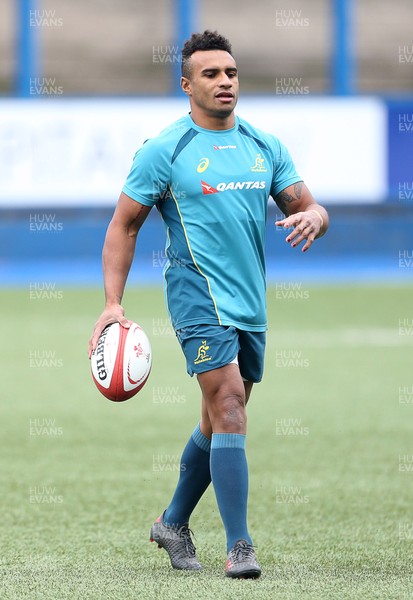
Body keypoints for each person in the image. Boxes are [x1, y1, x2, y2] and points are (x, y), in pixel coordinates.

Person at [88, 30, 329, 579]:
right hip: (196, 295)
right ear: (186, 84)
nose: (225, 82)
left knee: (220, 418)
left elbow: (309, 206)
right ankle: (240, 547)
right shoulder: (163, 150)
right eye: (211, 74)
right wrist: (111, 305)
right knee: (229, 408)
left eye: (232, 73)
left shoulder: (264, 145)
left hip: (250, 300)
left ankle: (172, 521)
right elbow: (124, 226)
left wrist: (315, 217)